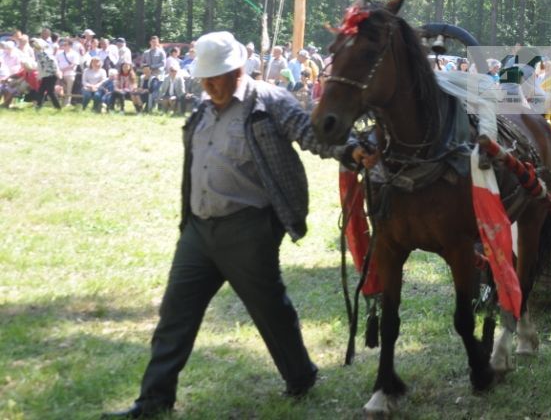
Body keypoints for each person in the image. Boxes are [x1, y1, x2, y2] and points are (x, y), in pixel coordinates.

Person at [102, 31, 346, 418]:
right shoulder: (202, 109)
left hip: (248, 230)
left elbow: (310, 134)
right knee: (175, 314)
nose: (209, 85)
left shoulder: (268, 102)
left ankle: (300, 376)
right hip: (199, 231)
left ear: (237, 71)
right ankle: (153, 400)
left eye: (216, 77)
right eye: (204, 78)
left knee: (268, 307)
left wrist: (351, 151)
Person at [30, 38, 61, 110]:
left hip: (50, 75)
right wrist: (40, 76)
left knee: (50, 92)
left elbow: (52, 61)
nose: (33, 48)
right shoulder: (41, 53)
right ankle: (38, 107)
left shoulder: (42, 53)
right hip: (46, 75)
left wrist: (55, 71)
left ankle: (58, 107)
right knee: (41, 91)